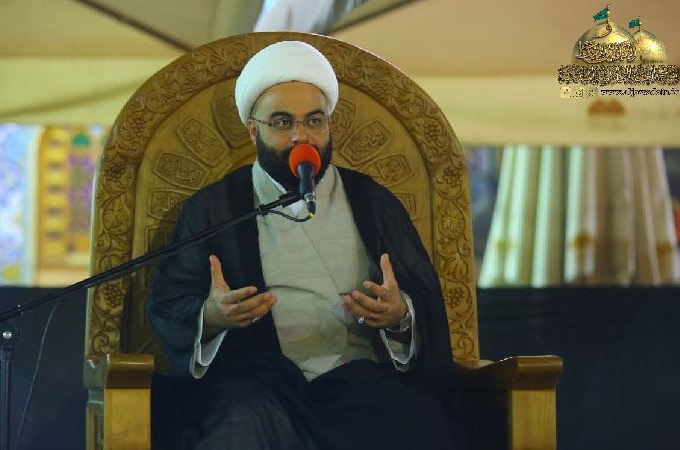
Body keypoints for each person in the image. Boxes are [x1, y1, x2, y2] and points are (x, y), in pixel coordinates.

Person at [147, 40, 464, 450]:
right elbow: (171, 300)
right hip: (257, 385)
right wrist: (211, 316)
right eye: (282, 122)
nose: (302, 136)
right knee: (236, 430)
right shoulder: (216, 207)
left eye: (315, 121)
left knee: (421, 425)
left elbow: (421, 297)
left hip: (359, 383)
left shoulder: (372, 201)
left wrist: (400, 315)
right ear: (253, 130)